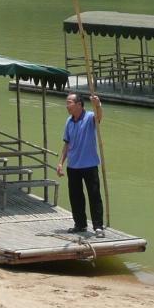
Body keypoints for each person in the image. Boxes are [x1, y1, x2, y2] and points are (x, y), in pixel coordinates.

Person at [55, 92, 105, 235]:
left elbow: (99, 117)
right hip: (73, 166)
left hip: (89, 164)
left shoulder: (89, 117)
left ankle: (98, 226)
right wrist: (61, 163)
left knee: (94, 195)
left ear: (79, 104)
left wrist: (98, 105)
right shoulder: (69, 121)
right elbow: (67, 144)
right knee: (75, 197)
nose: (67, 106)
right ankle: (80, 224)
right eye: (67, 102)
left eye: (69, 102)